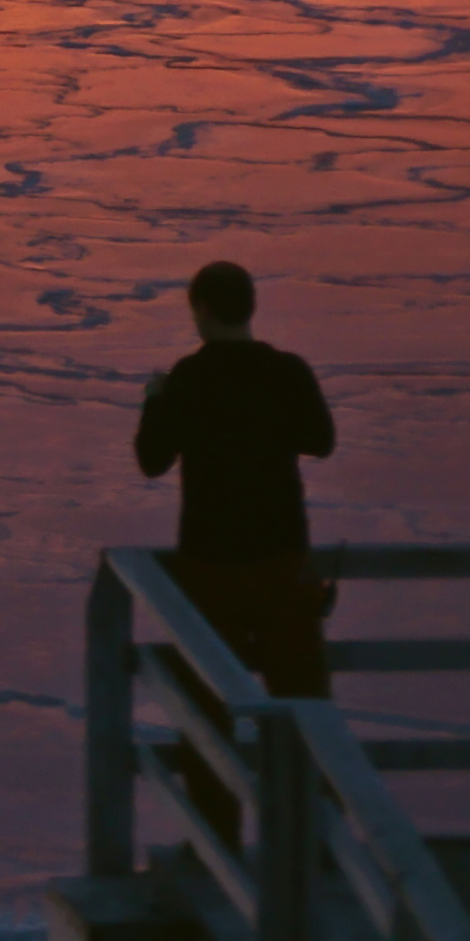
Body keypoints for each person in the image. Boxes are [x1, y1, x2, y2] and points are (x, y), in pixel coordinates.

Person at [136, 259, 337, 698]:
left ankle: (210, 768)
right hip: (280, 558)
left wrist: (155, 400)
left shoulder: (189, 378)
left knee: (208, 700)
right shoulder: (287, 372)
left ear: (202, 310)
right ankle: (303, 767)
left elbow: (151, 460)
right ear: (250, 308)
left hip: (210, 563)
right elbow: (321, 441)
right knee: (303, 700)